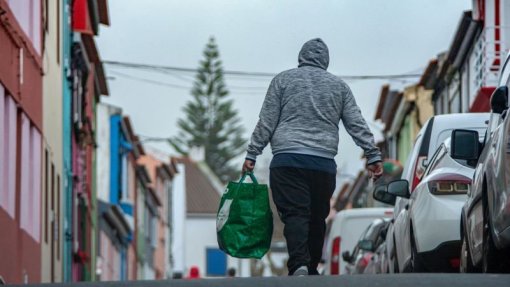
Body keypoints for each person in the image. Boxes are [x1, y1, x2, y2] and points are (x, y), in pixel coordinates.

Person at [242, 38, 383, 276]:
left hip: (287, 161)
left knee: (296, 214)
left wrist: (252, 153)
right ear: (325, 61)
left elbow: (266, 121)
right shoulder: (339, 87)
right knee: (318, 216)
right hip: (322, 164)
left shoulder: (282, 81)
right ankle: (312, 267)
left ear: (301, 57)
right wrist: (372, 154)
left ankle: (299, 265)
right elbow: (356, 122)